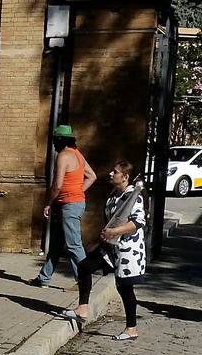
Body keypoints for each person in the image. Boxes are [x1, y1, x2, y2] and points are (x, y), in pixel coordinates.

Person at [62, 161, 146, 340]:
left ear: (125, 177)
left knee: (125, 288)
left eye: (115, 172)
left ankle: (131, 328)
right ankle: (82, 309)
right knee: (85, 267)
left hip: (127, 250)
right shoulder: (115, 194)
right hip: (109, 247)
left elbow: (137, 223)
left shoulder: (134, 196)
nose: (110, 174)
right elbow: (111, 219)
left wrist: (113, 232)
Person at [34, 124, 96, 287]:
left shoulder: (63, 156)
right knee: (56, 244)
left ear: (60, 140)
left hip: (69, 205)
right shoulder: (78, 155)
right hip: (74, 203)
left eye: (55, 140)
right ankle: (43, 278)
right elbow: (92, 176)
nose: (53, 143)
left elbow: (57, 185)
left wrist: (48, 203)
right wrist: (77, 191)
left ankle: (83, 281)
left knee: (74, 245)